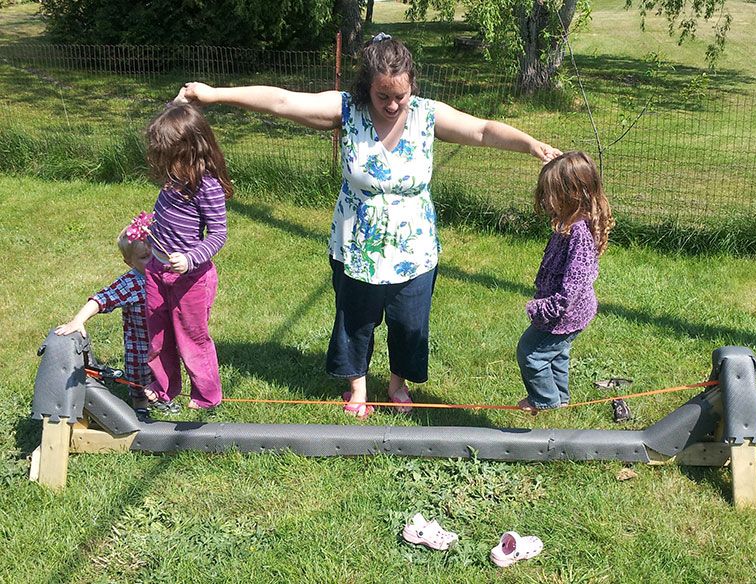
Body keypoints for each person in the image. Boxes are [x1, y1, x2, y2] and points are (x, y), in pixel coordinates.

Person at [177, 33, 560, 419]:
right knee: (356, 319)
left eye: (400, 96)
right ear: (367, 87)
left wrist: (529, 144)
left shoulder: (428, 114)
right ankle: (357, 385)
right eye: (383, 96)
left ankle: (397, 383)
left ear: (412, 84)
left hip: (415, 247)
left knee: (409, 321)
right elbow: (281, 100)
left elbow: (482, 130)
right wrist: (213, 94)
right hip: (356, 242)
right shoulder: (347, 109)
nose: (393, 105)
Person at [142, 103, 233, 412]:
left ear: (191, 150)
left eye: (170, 156)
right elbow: (164, 219)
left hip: (190, 279)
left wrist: (191, 258)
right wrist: (147, 233)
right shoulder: (173, 178)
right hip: (156, 271)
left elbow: (219, 233)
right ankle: (164, 388)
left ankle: (206, 396)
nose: (165, 163)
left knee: (191, 339)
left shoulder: (206, 186)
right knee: (158, 336)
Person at [516, 151, 614, 414]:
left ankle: (544, 401)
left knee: (531, 353)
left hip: (564, 315)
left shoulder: (580, 236)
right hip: (572, 313)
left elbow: (571, 290)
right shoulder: (570, 224)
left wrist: (540, 309)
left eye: (551, 193)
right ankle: (560, 398)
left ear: (572, 194)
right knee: (557, 354)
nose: (546, 199)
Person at [55, 228, 153, 417]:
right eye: (144, 257)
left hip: (165, 341)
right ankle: (140, 404)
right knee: (140, 374)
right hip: (141, 344)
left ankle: (163, 398)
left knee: (165, 371)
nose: (153, 260)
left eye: (155, 252)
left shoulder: (168, 274)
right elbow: (101, 299)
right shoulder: (131, 283)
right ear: (129, 262)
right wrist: (78, 320)